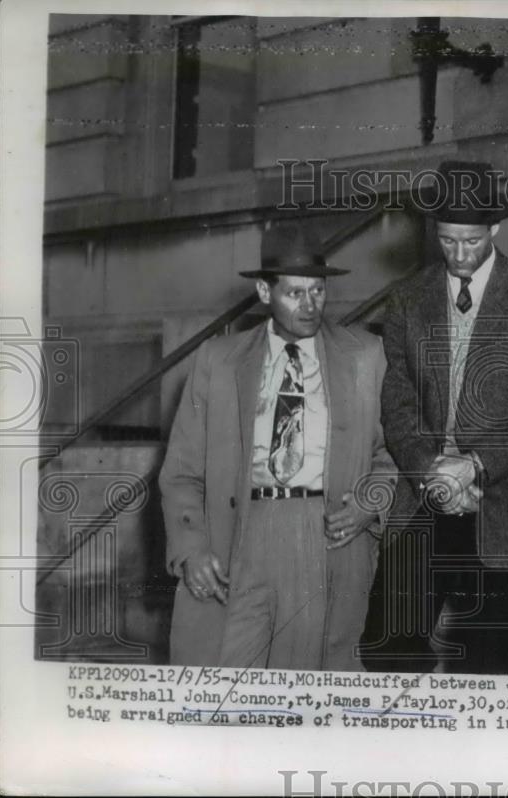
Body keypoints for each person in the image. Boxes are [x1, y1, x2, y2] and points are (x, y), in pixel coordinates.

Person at [360, 160, 508, 674]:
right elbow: (399, 399)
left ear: (494, 228)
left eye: (471, 242)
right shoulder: (407, 298)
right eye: (448, 241)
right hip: (425, 498)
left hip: (502, 509)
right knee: (385, 650)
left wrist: (474, 464)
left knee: (488, 670)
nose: (459, 254)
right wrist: (431, 470)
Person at [159, 223, 396, 670]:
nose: (310, 306)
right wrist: (191, 547)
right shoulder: (218, 361)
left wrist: (370, 503)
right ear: (265, 292)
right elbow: (182, 471)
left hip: (325, 533)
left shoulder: (366, 357)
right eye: (295, 293)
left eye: (318, 291)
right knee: (222, 682)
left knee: (307, 696)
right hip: (242, 534)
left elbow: (395, 455)